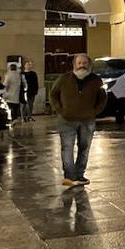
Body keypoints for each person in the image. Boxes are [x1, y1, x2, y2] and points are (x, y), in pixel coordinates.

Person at [49, 53, 108, 188]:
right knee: (67, 148)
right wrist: (61, 110)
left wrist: (95, 111)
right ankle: (69, 177)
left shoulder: (96, 80)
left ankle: (79, 175)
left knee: (84, 148)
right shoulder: (64, 79)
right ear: (74, 64)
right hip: (67, 119)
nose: (82, 65)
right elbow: (53, 95)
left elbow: (103, 97)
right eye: (79, 63)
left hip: (87, 120)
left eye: (84, 63)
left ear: (89, 64)